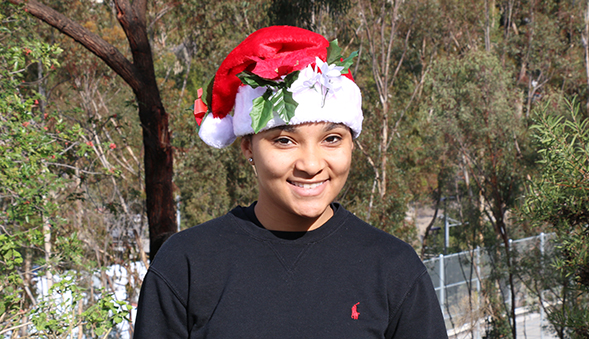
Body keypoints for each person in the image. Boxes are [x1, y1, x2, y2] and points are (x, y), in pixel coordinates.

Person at [133, 26, 447, 338]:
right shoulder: (187, 264)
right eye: (284, 141)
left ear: (353, 143)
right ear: (247, 147)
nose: (310, 165)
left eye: (332, 139)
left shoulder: (394, 269)